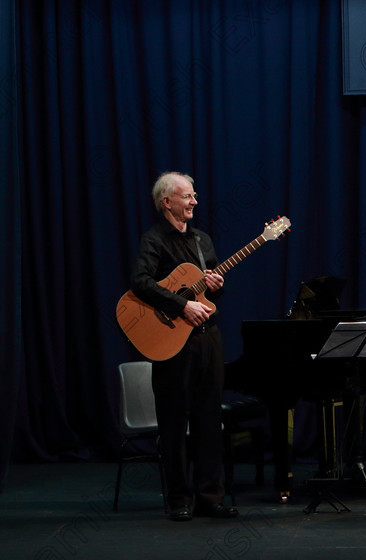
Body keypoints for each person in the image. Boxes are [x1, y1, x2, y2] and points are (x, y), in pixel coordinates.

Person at [129, 172, 238, 521]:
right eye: (187, 196)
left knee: (210, 418)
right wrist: (182, 306)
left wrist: (216, 286)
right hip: (172, 343)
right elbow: (141, 282)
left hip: (208, 338)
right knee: (174, 422)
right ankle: (178, 499)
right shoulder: (154, 240)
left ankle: (210, 496)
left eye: (194, 196)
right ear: (167, 202)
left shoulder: (202, 241)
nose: (194, 202)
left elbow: (207, 292)